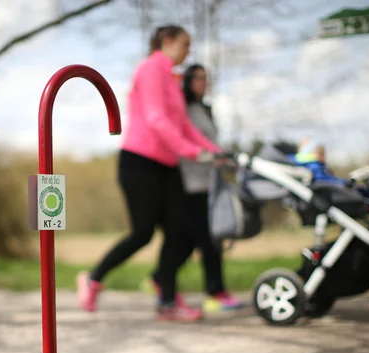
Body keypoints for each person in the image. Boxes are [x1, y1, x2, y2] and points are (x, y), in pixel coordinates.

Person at [76, 25, 223, 322]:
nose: (188, 51)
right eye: (185, 44)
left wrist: (216, 152)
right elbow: (156, 120)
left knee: (181, 231)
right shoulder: (150, 69)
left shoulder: (170, 76)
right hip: (139, 161)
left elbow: (184, 125)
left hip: (167, 165)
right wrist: (192, 152)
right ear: (166, 42)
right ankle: (93, 278)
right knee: (143, 232)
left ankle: (167, 300)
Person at [143, 64, 244, 313]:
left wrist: (224, 159)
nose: (203, 82)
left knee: (189, 240)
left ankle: (159, 278)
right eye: (197, 78)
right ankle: (214, 292)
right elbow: (182, 140)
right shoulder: (183, 108)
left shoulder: (204, 108)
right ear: (187, 81)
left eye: (205, 78)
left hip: (209, 181)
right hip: (189, 182)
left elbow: (209, 142)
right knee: (207, 238)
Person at [291, 138, 369, 200]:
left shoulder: (308, 165)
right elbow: (324, 181)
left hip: (334, 192)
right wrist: (344, 182)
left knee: (362, 189)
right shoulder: (314, 166)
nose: (324, 157)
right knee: (361, 190)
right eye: (321, 153)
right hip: (336, 193)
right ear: (311, 153)